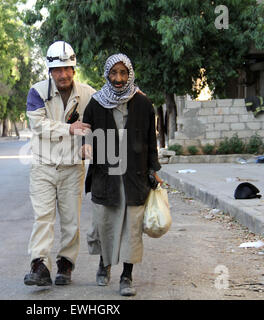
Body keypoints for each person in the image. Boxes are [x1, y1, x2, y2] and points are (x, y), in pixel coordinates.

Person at [81, 53, 162, 296]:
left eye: (123, 73)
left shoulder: (143, 103)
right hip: (105, 177)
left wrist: (153, 170)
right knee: (105, 224)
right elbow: (86, 133)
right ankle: (104, 265)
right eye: (114, 73)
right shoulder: (95, 103)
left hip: (134, 177)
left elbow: (151, 140)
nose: (118, 78)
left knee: (132, 228)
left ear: (130, 74)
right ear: (107, 75)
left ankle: (127, 275)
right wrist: (85, 146)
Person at [24, 41, 96, 287]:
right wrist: (70, 128)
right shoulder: (37, 92)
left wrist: (133, 92)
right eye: (58, 69)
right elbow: (38, 125)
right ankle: (40, 265)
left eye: (67, 68)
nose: (63, 74)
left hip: (72, 168)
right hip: (43, 166)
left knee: (71, 220)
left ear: (74, 69)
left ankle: (66, 263)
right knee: (43, 217)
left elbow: (107, 107)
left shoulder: (88, 94)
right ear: (50, 70)